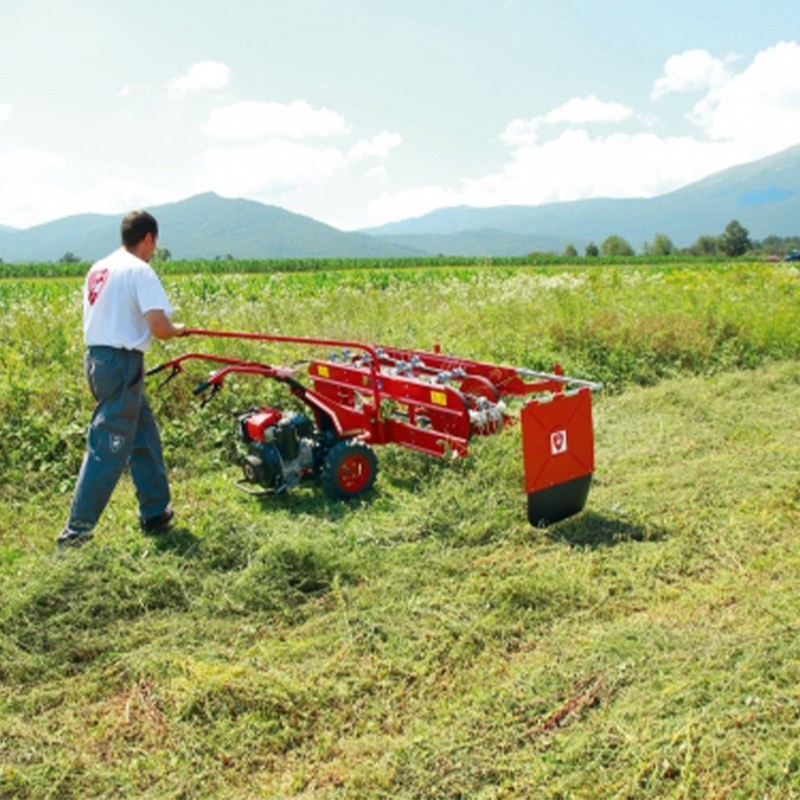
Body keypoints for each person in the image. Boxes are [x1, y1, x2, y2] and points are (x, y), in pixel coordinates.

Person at [58, 210, 188, 548]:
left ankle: (155, 512)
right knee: (108, 445)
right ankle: (76, 532)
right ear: (148, 238)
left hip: (98, 360)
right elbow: (159, 327)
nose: (153, 250)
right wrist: (177, 331)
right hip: (121, 363)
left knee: (143, 436)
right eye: (154, 244)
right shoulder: (139, 271)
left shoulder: (99, 267)